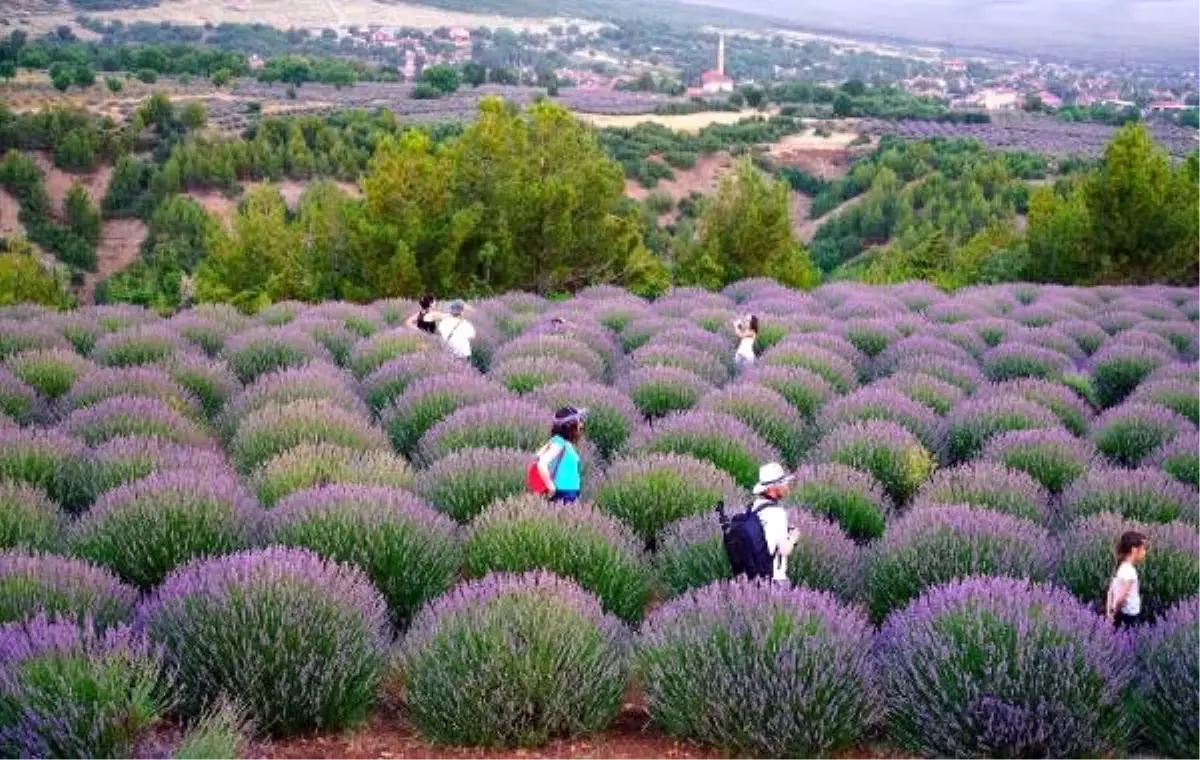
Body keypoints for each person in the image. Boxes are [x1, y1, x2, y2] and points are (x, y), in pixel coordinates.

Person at [751, 462, 799, 583]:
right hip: (775, 578)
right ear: (772, 488)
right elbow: (784, 549)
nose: (787, 487)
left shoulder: (754, 507)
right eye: (783, 483)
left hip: (755, 576)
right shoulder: (777, 513)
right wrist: (794, 537)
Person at [534, 407, 587, 504]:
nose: (581, 425)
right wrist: (551, 487)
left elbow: (538, 456)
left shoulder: (561, 442)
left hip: (568, 493)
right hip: (563, 494)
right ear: (570, 426)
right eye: (579, 422)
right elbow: (541, 463)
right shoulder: (559, 443)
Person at [1107, 530, 1148, 628]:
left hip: (1121, 613)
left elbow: (1111, 591)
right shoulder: (1129, 572)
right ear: (1134, 550)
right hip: (1129, 615)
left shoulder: (1121, 567)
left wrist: (1109, 611)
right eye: (1143, 549)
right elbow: (1122, 597)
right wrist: (1114, 612)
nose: (1145, 552)